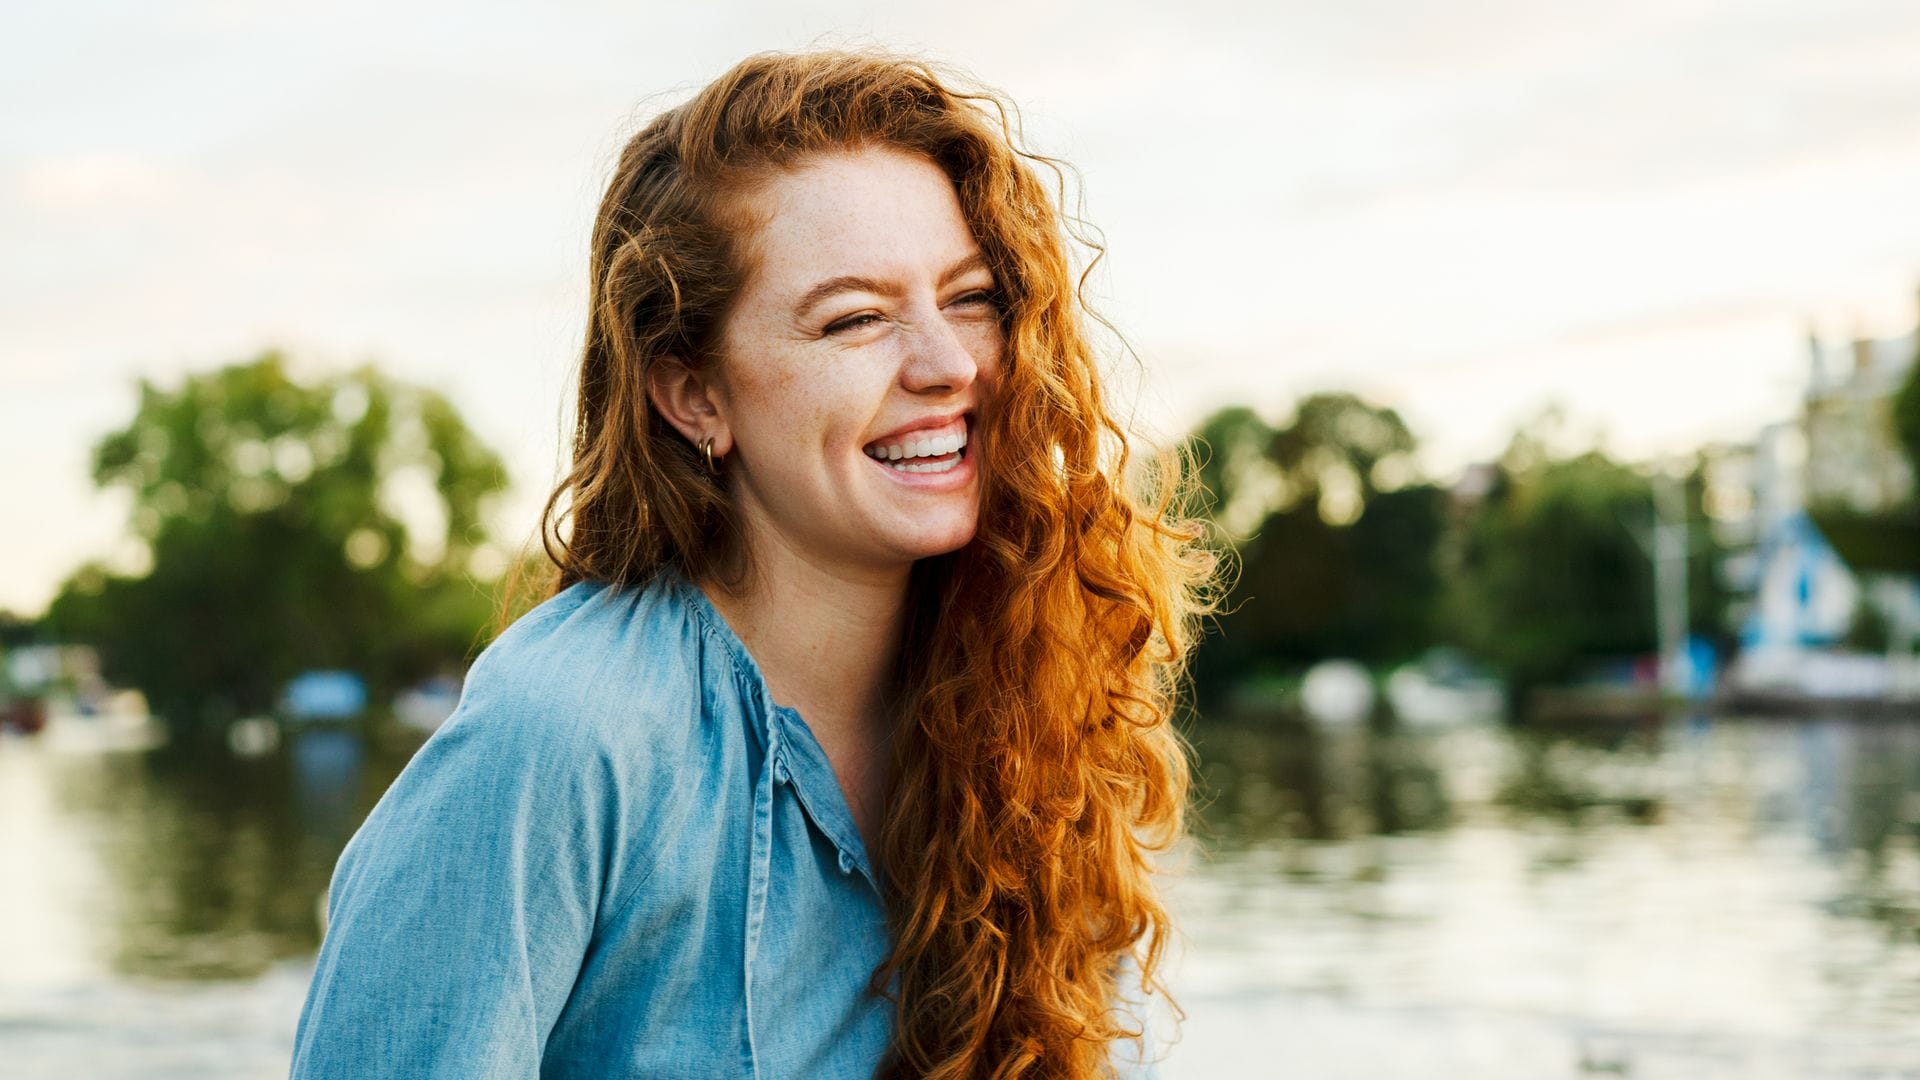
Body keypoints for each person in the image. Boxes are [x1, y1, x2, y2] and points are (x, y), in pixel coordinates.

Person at [289, 49, 1216, 1079]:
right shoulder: (563, 737)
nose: (947, 365)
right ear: (695, 396)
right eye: (856, 318)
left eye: (971, 298)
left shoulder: (1038, 693)